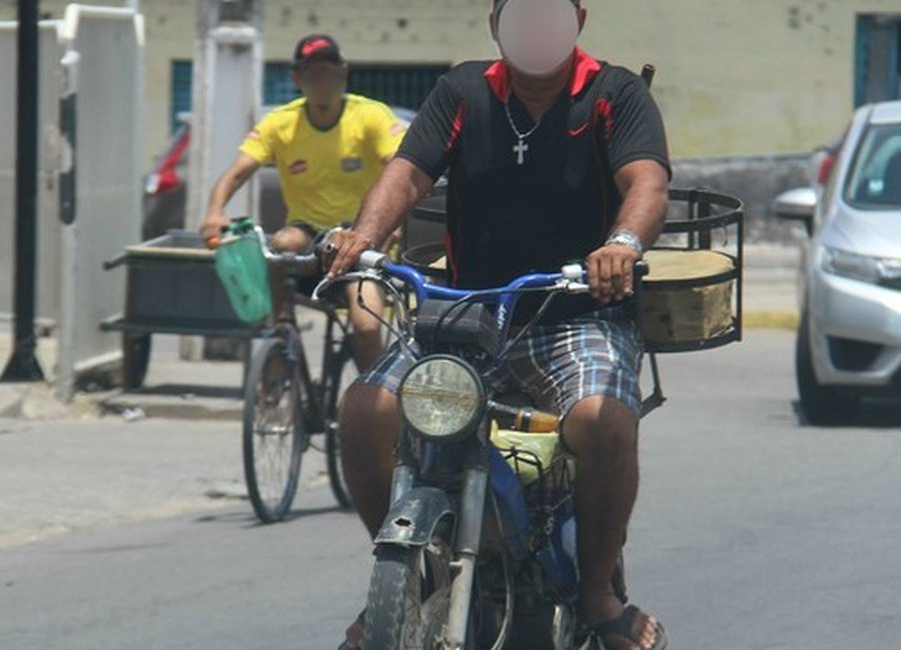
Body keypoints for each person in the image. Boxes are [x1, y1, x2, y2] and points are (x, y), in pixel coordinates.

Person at [326, 1, 671, 648]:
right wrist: (364, 237)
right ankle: (400, 579)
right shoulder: (461, 90)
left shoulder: (613, 93)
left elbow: (646, 182)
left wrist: (622, 241)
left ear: (578, 20)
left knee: (604, 421)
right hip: (467, 310)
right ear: (496, 24)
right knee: (365, 407)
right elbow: (406, 172)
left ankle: (597, 591)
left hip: (573, 312)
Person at [200, 34, 406, 373]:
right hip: (310, 238)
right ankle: (280, 339)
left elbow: (401, 170)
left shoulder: (370, 116)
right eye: (313, 75)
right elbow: (236, 174)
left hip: (362, 239)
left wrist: (396, 222)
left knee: (367, 327)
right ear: (298, 79)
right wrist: (213, 212)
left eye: (329, 74)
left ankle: (374, 406)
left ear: (343, 73)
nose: (322, 83)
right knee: (282, 244)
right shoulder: (281, 124)